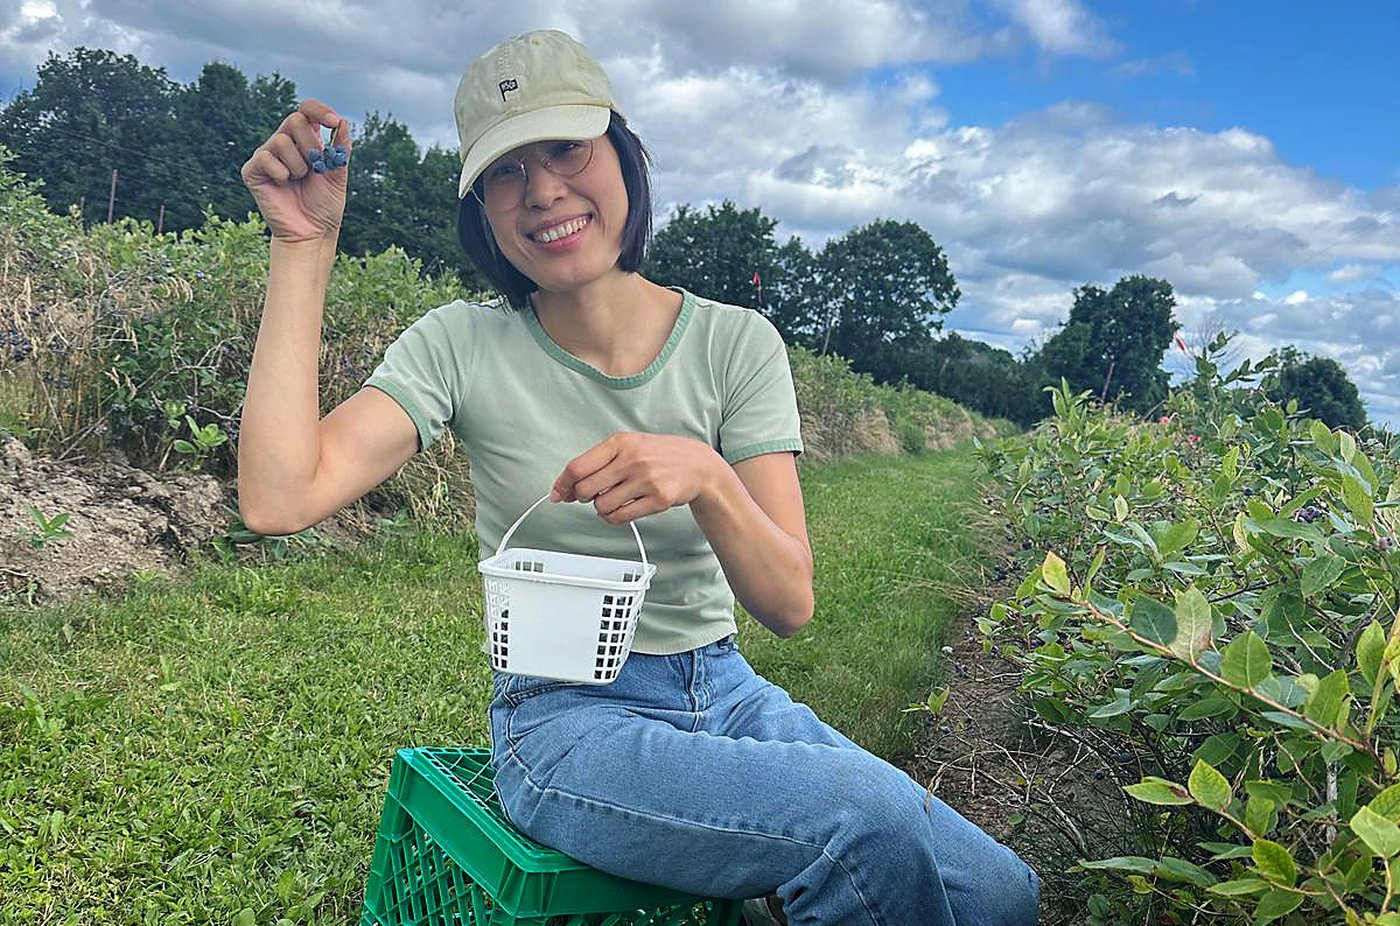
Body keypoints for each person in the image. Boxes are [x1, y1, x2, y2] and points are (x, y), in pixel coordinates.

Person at [238, 28, 1038, 926]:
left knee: (1002, 893)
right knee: (866, 822)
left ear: (625, 155)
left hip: (726, 691)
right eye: (506, 172)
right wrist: (302, 244)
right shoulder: (459, 345)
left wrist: (708, 477)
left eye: (566, 149)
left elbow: (789, 604)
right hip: (564, 721)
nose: (544, 191)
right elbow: (280, 496)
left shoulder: (736, 344)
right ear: (483, 212)